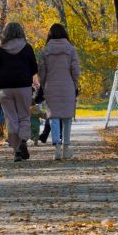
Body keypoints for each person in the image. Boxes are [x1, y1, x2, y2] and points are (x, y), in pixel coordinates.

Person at [0, 22, 38, 162]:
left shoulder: (1, 50)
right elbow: (34, 68)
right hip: (23, 87)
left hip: (5, 89)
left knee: (11, 118)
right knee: (24, 116)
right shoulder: (27, 47)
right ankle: (23, 141)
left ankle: (17, 151)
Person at [38, 23, 80, 160]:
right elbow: (75, 70)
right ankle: (66, 149)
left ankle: (56, 147)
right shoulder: (71, 49)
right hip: (68, 86)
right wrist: (75, 84)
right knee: (67, 118)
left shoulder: (45, 51)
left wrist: (44, 85)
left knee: (54, 117)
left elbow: (42, 72)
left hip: (51, 87)